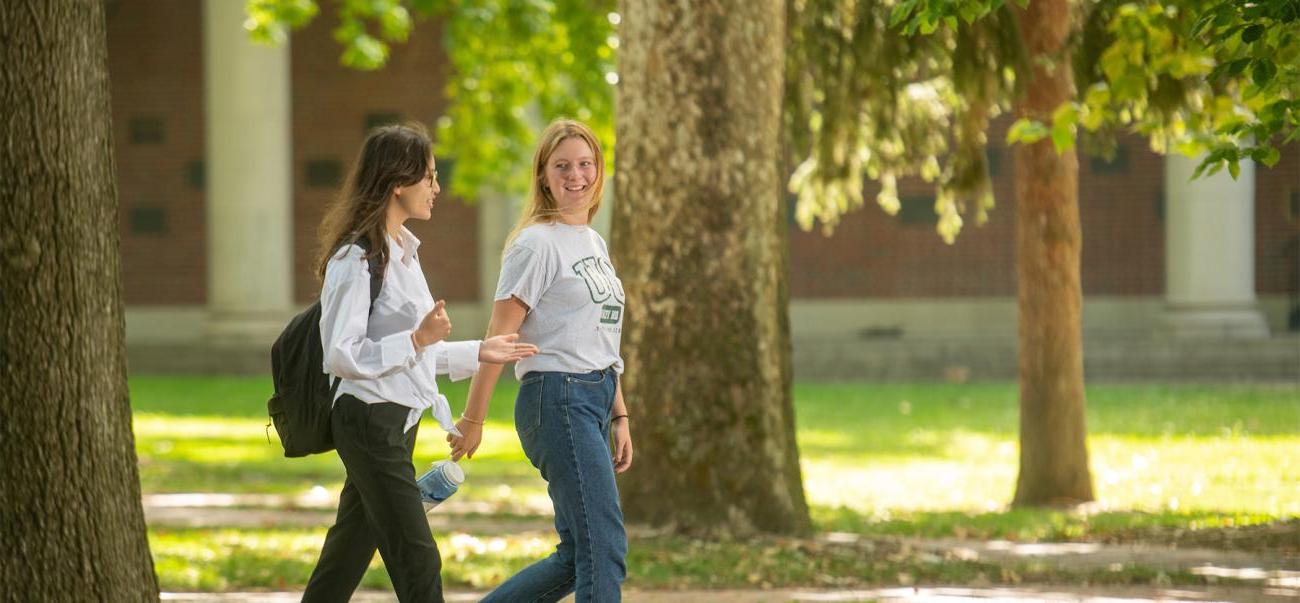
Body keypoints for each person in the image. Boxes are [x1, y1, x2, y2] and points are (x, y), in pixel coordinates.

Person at [302, 122, 538, 603]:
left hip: (395, 423)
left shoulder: (405, 255)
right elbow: (342, 355)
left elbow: (418, 353)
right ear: (397, 183)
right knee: (418, 558)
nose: (437, 188)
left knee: (347, 554)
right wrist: (416, 338)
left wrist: (479, 351)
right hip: (368, 421)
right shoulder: (356, 258)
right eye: (429, 177)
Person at [449, 119, 633, 602]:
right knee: (604, 546)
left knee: (579, 554)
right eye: (563, 166)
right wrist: (473, 419)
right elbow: (499, 335)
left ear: (599, 170)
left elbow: (602, 339)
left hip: (593, 398)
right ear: (544, 176)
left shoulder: (592, 242)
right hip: (557, 398)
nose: (577, 175)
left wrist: (619, 414)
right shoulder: (536, 243)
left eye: (586, 163)